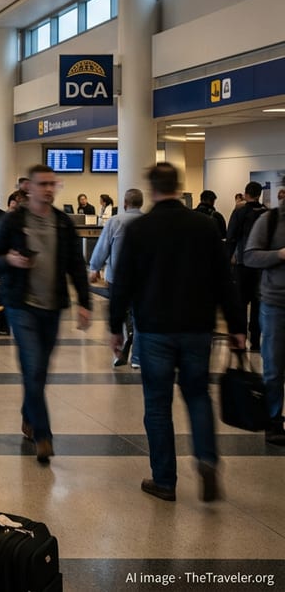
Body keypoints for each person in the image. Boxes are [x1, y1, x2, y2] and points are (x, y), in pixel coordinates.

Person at [110, 163, 246, 502]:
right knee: (198, 396)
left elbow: (123, 282)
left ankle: (165, 480)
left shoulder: (140, 229)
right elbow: (224, 281)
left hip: (154, 328)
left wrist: (116, 327)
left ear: (153, 189)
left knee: (157, 404)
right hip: (198, 327)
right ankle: (206, 459)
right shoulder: (203, 226)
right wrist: (237, 327)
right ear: (178, 187)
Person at [0, 164, 91, 464]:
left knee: (40, 372)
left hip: (53, 307)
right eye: (42, 184)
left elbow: (76, 265)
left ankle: (28, 414)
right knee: (32, 368)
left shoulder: (62, 223)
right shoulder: (13, 221)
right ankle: (44, 437)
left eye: (51, 184)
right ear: (28, 188)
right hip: (22, 306)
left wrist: (84, 302)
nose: (47, 189)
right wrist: (9, 259)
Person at [240, 194, 285, 446]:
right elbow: (250, 256)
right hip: (276, 303)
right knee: (274, 367)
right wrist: (279, 254)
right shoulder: (269, 221)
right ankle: (273, 420)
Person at [88, 189, 144, 368]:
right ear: (141, 203)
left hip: (117, 278)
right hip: (142, 278)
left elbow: (103, 247)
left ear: (125, 204)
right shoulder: (148, 222)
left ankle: (118, 351)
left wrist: (94, 268)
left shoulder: (115, 221)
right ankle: (137, 358)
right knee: (139, 317)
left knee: (118, 314)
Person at [227, 181, 269, 352]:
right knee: (258, 303)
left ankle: (240, 340)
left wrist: (228, 258)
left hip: (243, 263)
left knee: (241, 303)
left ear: (246, 194)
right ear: (259, 194)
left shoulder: (240, 212)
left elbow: (231, 237)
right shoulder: (267, 213)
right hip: (262, 265)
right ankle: (256, 342)